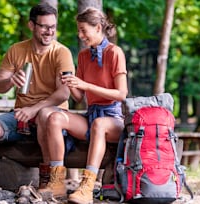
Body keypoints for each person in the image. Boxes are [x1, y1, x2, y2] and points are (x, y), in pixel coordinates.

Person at [0, 3, 75, 190]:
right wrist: (10, 80)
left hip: (51, 118)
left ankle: (48, 182)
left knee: (44, 116)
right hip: (20, 117)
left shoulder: (61, 53)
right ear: (31, 25)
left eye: (53, 27)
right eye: (44, 26)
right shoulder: (16, 50)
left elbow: (63, 93)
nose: (49, 32)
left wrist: (33, 109)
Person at [39, 7, 128, 203]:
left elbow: (122, 94)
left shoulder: (115, 53)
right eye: (78, 30)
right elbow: (79, 97)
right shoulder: (83, 56)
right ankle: (57, 181)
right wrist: (69, 83)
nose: (80, 35)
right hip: (92, 115)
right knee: (54, 117)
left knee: (99, 125)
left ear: (97, 28)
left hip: (114, 119)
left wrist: (86, 85)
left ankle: (87, 187)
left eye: (83, 30)